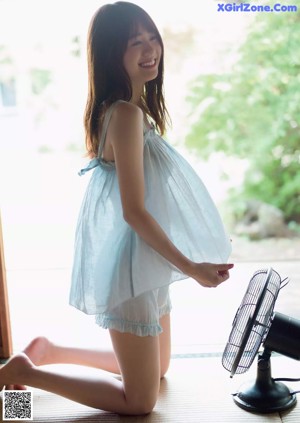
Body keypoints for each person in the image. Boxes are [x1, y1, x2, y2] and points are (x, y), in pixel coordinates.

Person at [0, 1, 233, 415]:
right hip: (132, 268)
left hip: (145, 263)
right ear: (112, 54)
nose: (150, 49)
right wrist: (193, 268)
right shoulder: (124, 115)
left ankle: (48, 350)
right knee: (140, 401)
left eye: (152, 38)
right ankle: (24, 373)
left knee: (159, 371)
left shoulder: (128, 109)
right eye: (134, 42)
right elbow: (134, 211)